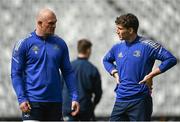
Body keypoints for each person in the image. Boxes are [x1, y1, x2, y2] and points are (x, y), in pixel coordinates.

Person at [103, 13, 177, 121]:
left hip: (140, 100)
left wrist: (151, 75)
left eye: (120, 28)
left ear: (131, 30)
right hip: (120, 100)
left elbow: (170, 59)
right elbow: (106, 60)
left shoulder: (147, 45)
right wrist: (115, 73)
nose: (117, 31)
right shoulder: (117, 47)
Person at [11, 8, 80, 121]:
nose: (54, 26)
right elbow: (15, 74)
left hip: (55, 102)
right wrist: (21, 98)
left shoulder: (61, 44)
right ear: (39, 23)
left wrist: (75, 96)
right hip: (32, 102)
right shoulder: (24, 44)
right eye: (51, 23)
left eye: (55, 23)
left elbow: (68, 72)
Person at [62, 39, 102, 121]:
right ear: (88, 50)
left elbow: (59, 87)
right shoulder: (92, 69)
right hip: (84, 109)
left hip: (68, 108)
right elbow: (98, 93)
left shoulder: (67, 67)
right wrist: (93, 105)